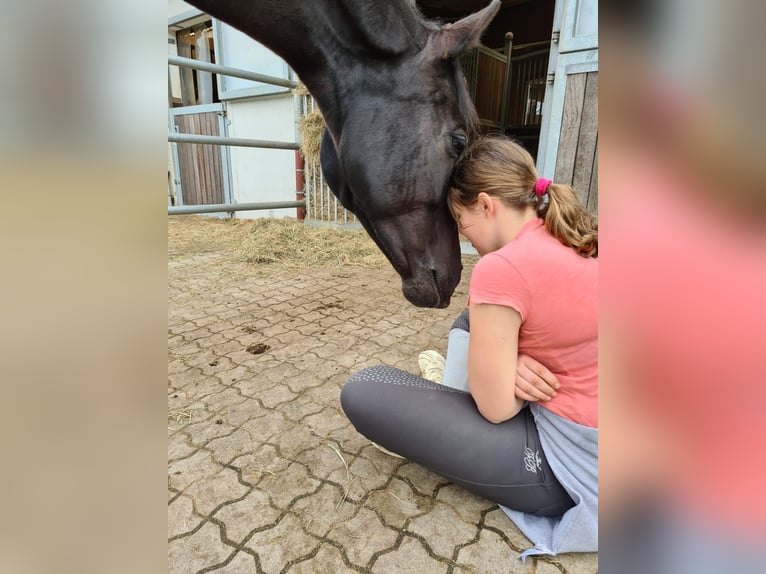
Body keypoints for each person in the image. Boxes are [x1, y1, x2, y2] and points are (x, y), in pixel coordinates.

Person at [340, 135, 598, 557]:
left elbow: (496, 409)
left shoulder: (501, 267)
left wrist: (502, 376)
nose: (466, 238)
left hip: (569, 469)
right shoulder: (579, 239)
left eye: (461, 223)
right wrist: (512, 359)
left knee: (364, 388)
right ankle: (468, 378)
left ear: (486, 204)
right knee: (470, 320)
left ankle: (455, 389)